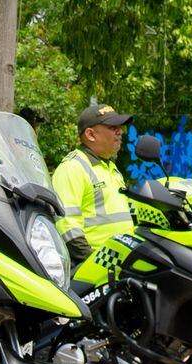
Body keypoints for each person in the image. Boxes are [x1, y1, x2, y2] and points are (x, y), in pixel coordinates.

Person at [51, 104, 134, 261]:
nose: (120, 131)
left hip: (118, 263)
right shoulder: (72, 167)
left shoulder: (110, 167)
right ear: (90, 134)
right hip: (96, 268)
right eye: (112, 127)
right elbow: (67, 227)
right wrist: (93, 262)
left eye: (119, 127)